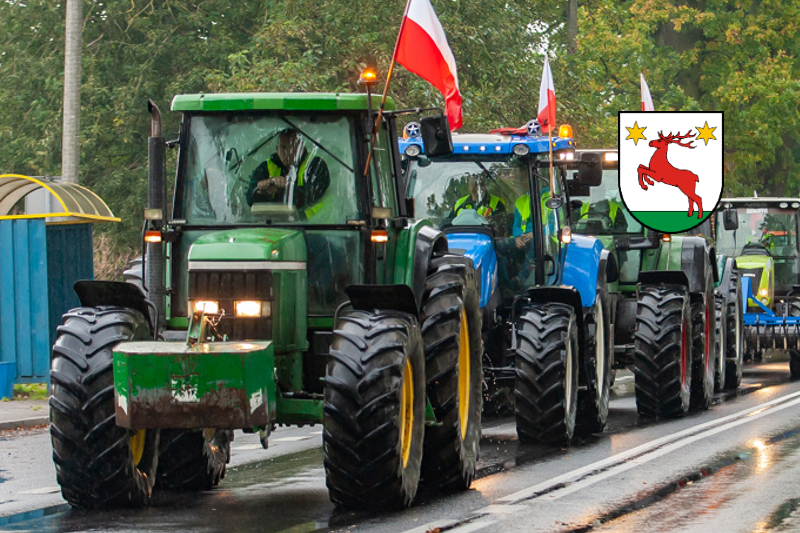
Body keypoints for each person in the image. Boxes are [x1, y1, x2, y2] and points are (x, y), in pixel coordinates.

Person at [246, 129, 330, 210]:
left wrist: (284, 187)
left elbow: (311, 196)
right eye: (283, 147)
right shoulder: (265, 167)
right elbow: (250, 198)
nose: (289, 152)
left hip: (317, 222)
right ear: (277, 150)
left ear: (302, 148)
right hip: (274, 223)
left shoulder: (316, 165)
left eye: (293, 147)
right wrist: (263, 191)